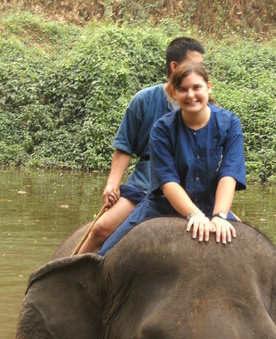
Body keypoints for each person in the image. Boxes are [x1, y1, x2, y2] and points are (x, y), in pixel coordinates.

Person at [99, 61, 246, 255]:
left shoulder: (229, 123)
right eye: (183, 90)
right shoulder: (162, 129)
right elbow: (168, 181)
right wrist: (194, 214)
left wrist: (219, 215)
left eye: (197, 87)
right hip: (161, 207)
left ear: (208, 88)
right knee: (107, 256)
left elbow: (229, 174)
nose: (191, 95)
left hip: (212, 206)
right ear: (174, 94)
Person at [77, 37, 205, 254]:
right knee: (100, 229)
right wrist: (112, 185)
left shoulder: (203, 107)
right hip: (145, 187)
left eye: (201, 66)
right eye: (194, 64)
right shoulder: (144, 100)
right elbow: (124, 146)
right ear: (174, 67)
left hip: (190, 190)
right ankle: (75, 283)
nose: (199, 70)